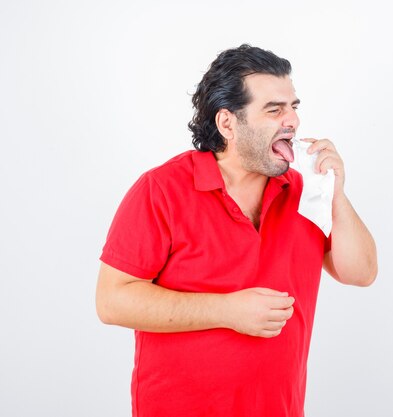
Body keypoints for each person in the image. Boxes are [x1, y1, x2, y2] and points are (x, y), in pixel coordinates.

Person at [96, 44, 377, 417]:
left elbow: (361, 273)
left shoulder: (305, 193)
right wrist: (227, 310)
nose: (291, 121)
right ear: (227, 123)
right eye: (274, 110)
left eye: (293, 106)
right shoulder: (161, 189)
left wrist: (336, 193)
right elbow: (111, 302)